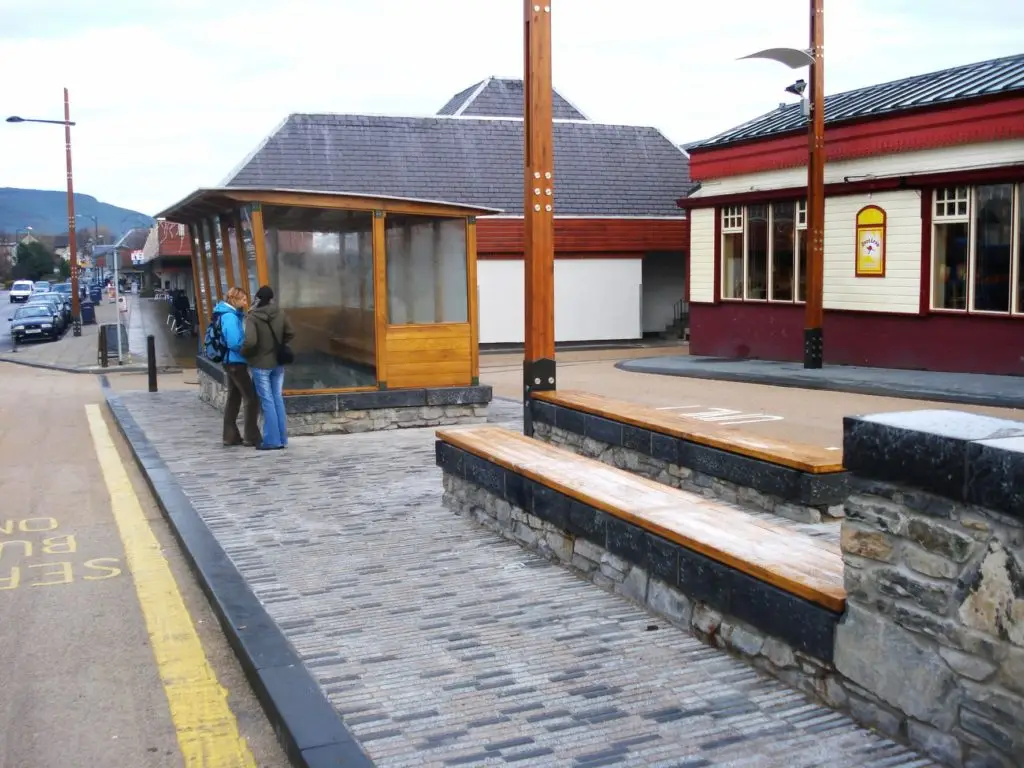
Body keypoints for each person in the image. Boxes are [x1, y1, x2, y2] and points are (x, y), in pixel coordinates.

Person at [242, 285, 294, 451]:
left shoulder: (252, 317)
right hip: (277, 362)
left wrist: (244, 353)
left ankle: (272, 440)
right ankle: (282, 439)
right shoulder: (280, 313)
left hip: (260, 363)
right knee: (277, 398)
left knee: (267, 401)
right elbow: (290, 332)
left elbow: (250, 341)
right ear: (272, 298)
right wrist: (279, 344)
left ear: (257, 298)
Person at [214, 287, 262, 448]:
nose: (245, 303)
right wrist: (248, 349)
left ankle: (230, 436)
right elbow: (234, 342)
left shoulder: (226, 314)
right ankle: (251, 436)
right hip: (235, 362)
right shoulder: (229, 317)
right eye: (243, 300)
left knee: (234, 398)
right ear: (234, 300)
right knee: (251, 398)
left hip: (230, 362)